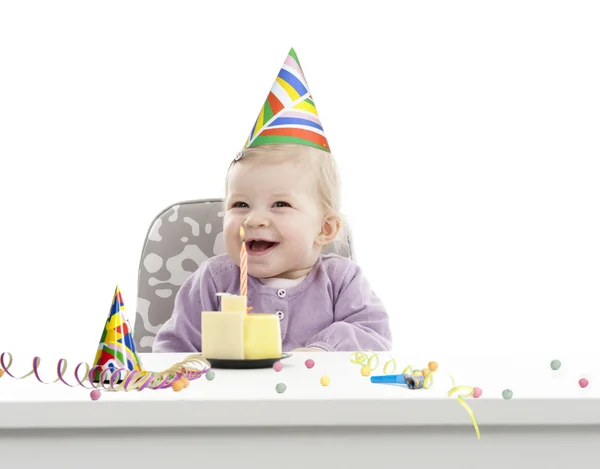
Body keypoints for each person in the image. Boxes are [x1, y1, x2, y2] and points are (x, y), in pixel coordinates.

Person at [153, 48, 392, 353]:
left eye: (280, 205)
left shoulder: (341, 281)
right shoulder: (212, 283)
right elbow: (171, 351)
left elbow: (374, 335)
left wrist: (321, 352)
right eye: (240, 205)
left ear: (326, 229)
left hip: (316, 400)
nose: (253, 219)